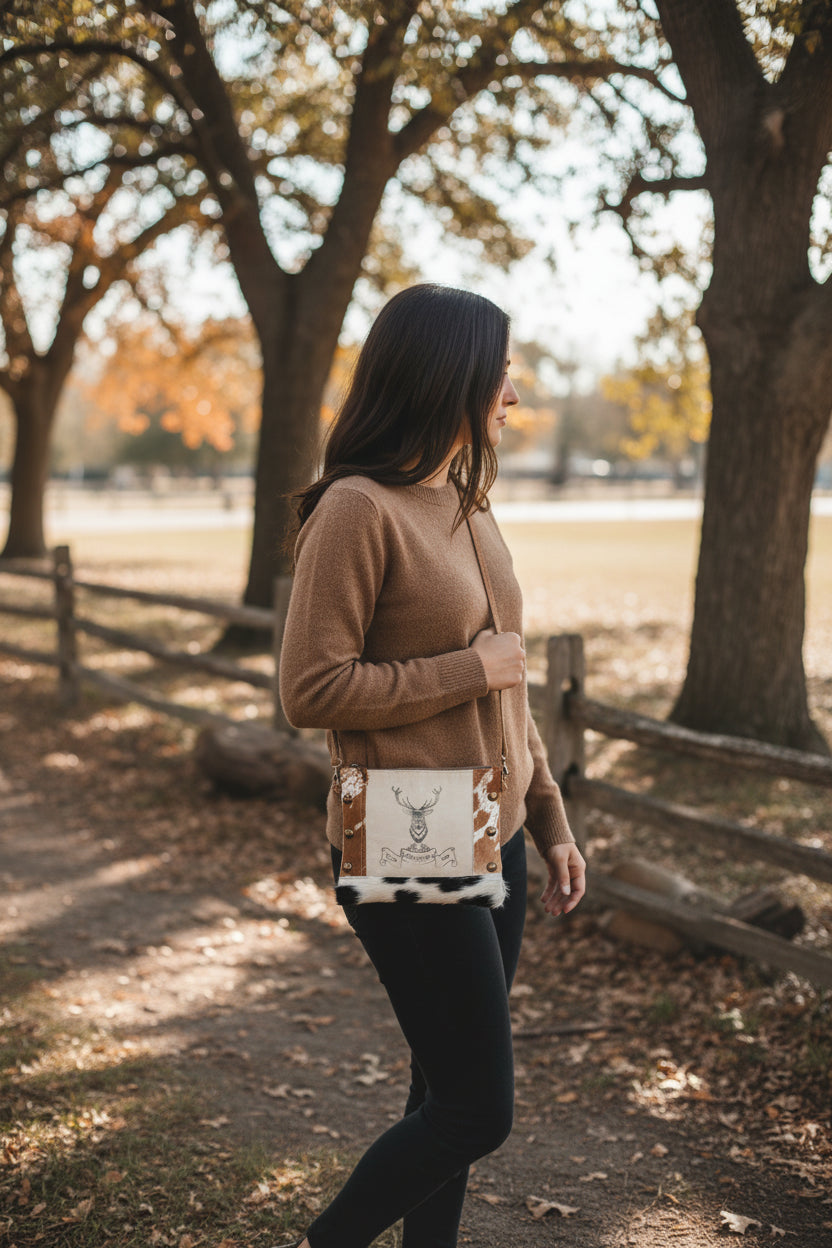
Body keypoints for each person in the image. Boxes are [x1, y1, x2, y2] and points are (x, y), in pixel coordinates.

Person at [278, 283, 587, 1248]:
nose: (511, 384)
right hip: (406, 822)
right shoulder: (357, 511)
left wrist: (550, 820)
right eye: (498, 365)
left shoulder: (465, 501)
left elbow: (511, 689)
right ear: (446, 371)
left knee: (440, 1088)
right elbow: (312, 690)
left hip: (491, 835)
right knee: (475, 1113)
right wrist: (467, 668)